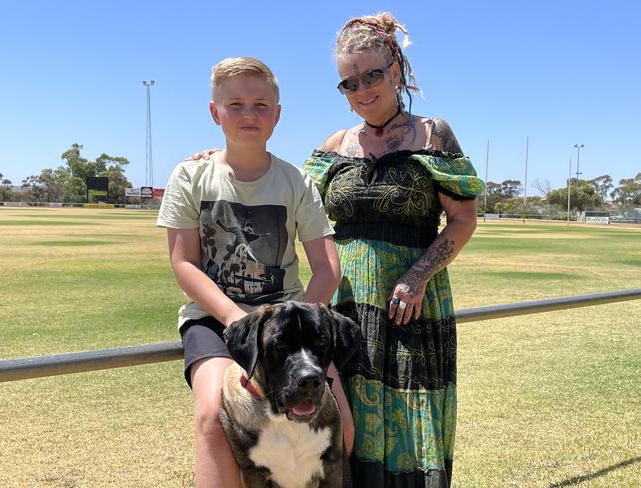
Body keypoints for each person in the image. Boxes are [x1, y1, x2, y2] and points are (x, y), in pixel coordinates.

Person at [302, 12, 485, 487]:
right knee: (344, 423)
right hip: (345, 309)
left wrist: (417, 276)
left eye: (373, 75)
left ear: (397, 70)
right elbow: (291, 200)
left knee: (409, 418)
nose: (362, 90)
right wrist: (218, 158)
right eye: (348, 83)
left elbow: (463, 219)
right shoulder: (334, 146)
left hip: (410, 308)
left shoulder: (433, 134)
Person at [156, 56, 351, 488]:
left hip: (287, 324)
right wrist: (236, 320)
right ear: (215, 112)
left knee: (343, 427)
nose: (249, 114)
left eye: (261, 105)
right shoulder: (190, 177)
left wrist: (297, 318)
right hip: (215, 318)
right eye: (236, 104)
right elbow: (183, 263)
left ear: (277, 115)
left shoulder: (296, 182)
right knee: (212, 416)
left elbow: (327, 267)